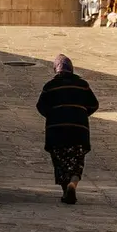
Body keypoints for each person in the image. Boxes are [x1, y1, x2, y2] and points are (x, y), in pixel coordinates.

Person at [35, 53, 99, 204]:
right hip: (79, 131)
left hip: (56, 132)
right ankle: (73, 184)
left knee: (61, 163)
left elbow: (41, 106)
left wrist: (53, 117)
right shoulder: (83, 85)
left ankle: (66, 191)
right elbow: (94, 105)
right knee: (76, 163)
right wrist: (81, 114)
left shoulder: (50, 86)